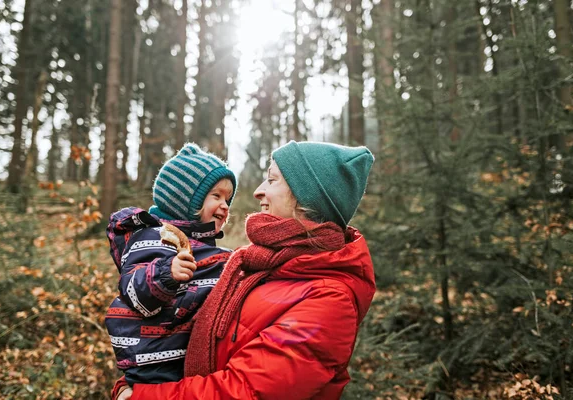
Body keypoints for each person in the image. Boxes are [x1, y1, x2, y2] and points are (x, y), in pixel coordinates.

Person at [113, 140, 376, 400]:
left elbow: (243, 392)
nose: (258, 191)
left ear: (306, 198)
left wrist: (139, 396)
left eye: (272, 180)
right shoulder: (258, 262)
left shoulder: (328, 300)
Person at [105, 143, 237, 388]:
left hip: (182, 359)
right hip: (153, 361)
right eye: (216, 196)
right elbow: (133, 289)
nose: (225, 206)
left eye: (228, 199)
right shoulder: (153, 237)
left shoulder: (200, 246)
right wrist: (166, 273)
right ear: (184, 200)